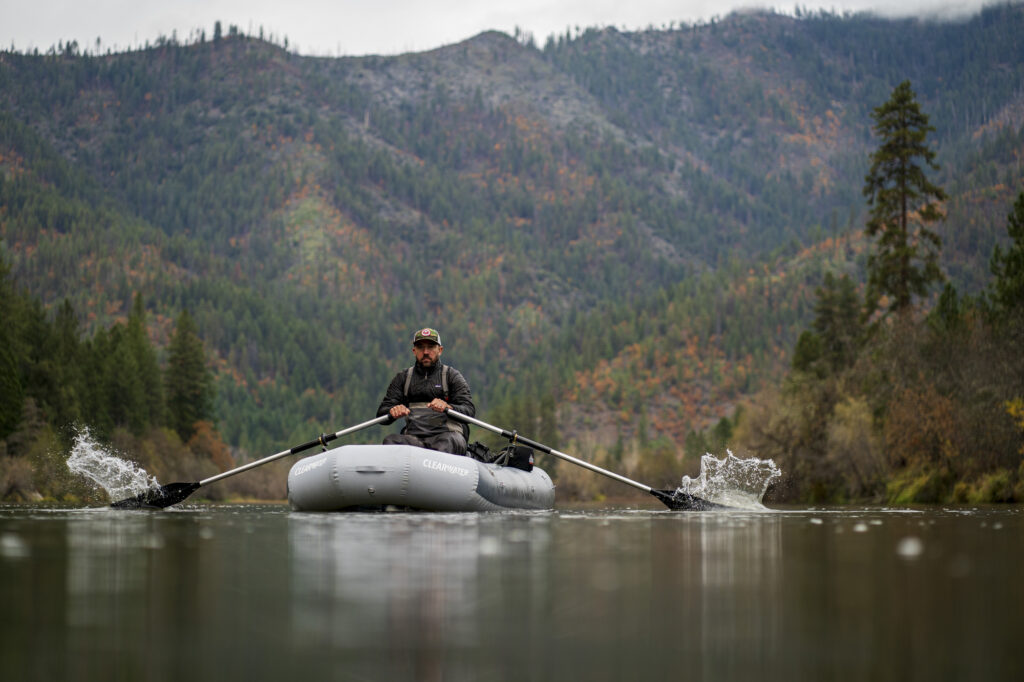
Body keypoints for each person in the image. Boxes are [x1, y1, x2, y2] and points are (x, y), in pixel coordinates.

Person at [376, 327, 476, 455]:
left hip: (446, 438)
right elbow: (381, 415)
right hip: (414, 439)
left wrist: (448, 407)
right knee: (390, 441)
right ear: (414, 351)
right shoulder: (403, 378)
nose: (426, 352)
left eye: (431, 347)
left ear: (440, 350)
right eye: (420, 347)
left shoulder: (452, 376)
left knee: (446, 442)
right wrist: (392, 411)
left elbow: (469, 411)